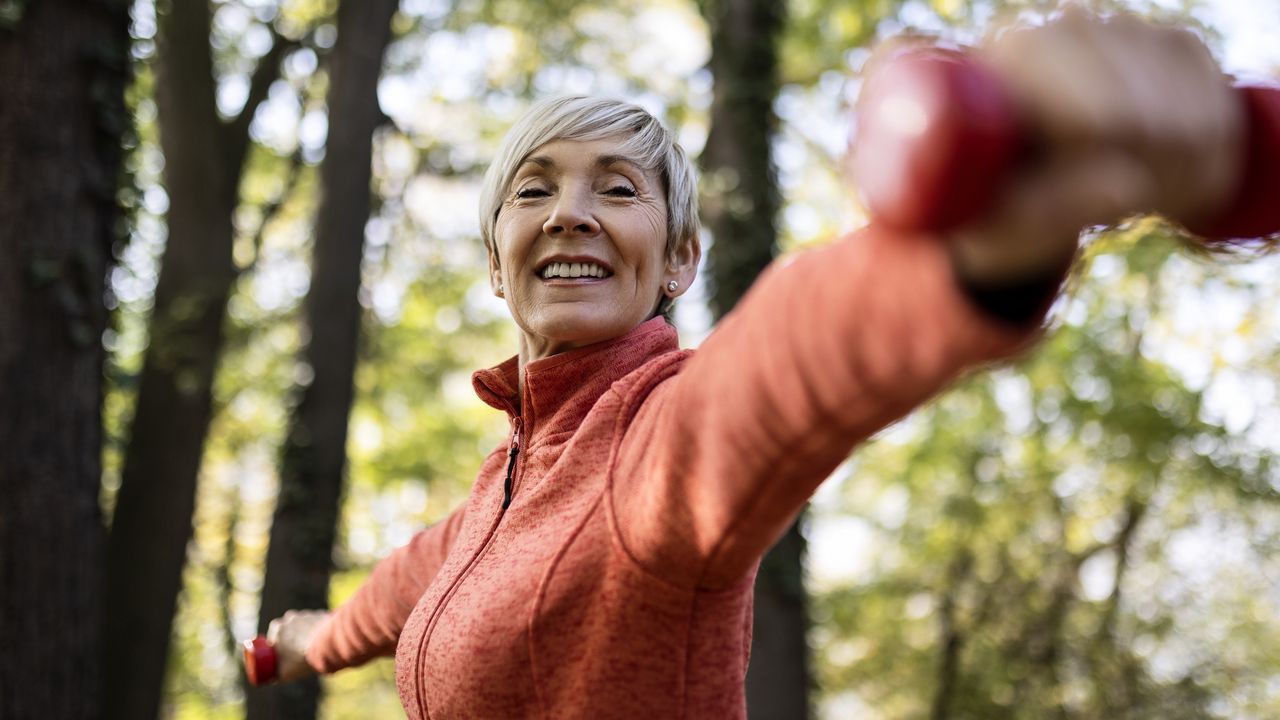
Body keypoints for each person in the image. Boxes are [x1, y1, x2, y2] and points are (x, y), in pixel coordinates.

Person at [263, 7, 1243, 718]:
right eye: (532, 191)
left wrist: (972, 236)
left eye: (616, 187)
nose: (569, 211)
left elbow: (779, 364)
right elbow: (396, 592)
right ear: (494, 264)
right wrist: (303, 644)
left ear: (678, 259)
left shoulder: (655, 444)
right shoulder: (497, 494)